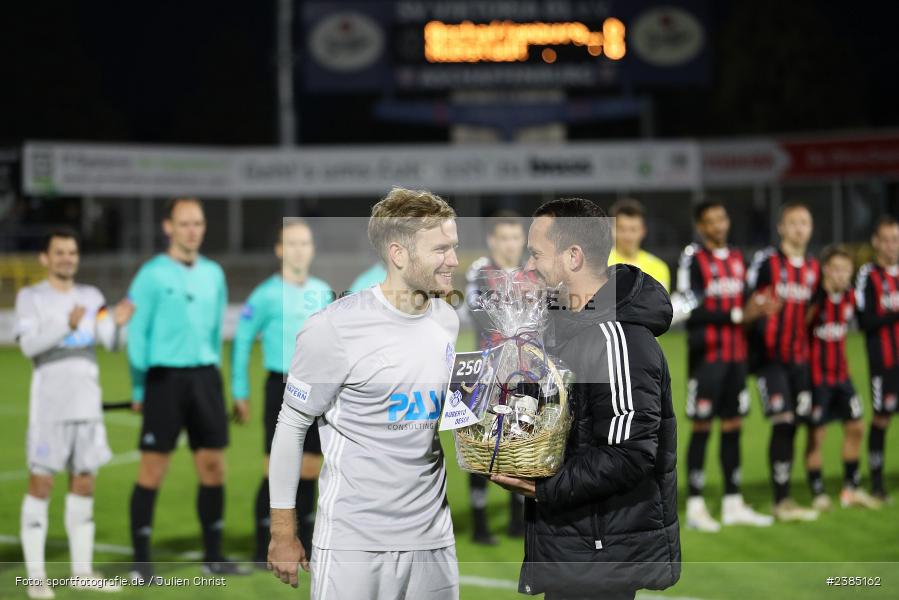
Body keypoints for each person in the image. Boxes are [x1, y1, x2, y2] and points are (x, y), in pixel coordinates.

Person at [267, 188, 461, 599]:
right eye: (441, 249)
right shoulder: (333, 328)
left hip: (433, 542)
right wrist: (283, 531)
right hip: (354, 544)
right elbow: (291, 426)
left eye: (454, 247)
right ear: (399, 253)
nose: (454, 261)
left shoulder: (447, 319)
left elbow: (444, 419)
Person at [492, 198, 680, 600]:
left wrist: (543, 486)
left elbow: (631, 454)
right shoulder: (559, 328)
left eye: (537, 253)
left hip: (601, 554)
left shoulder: (621, 338)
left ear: (573, 257)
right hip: (573, 543)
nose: (528, 264)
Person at [126, 197, 246, 581]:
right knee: (152, 469)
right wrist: (139, 386)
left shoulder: (214, 273)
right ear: (168, 227)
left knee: (213, 467)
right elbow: (137, 335)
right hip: (164, 380)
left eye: (198, 223)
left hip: (205, 378)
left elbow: (213, 331)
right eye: (184, 224)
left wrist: (218, 379)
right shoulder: (151, 275)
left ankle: (214, 556)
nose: (192, 230)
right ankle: (142, 565)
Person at [15, 229, 132, 599]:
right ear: (46, 258)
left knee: (84, 484)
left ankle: (82, 572)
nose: (67, 257)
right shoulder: (31, 298)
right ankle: (36, 579)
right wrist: (65, 324)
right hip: (49, 410)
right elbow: (29, 346)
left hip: (87, 408)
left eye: (72, 252)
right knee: (42, 486)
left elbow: (110, 342)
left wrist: (118, 322)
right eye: (60, 252)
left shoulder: (91, 296)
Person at [230, 218, 333, 564]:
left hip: (318, 389)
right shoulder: (265, 294)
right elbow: (242, 341)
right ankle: (265, 545)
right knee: (276, 468)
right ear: (279, 250)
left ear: (312, 250)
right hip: (281, 386)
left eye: (305, 243)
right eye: (292, 243)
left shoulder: (322, 290)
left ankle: (302, 539)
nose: (299, 250)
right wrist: (239, 391)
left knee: (309, 469)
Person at [676, 200, 775, 532]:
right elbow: (691, 306)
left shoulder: (737, 257)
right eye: (711, 221)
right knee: (702, 428)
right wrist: (738, 315)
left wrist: (759, 308)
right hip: (706, 359)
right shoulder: (692, 258)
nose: (718, 225)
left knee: (733, 427)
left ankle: (733, 502)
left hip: (736, 359)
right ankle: (695, 505)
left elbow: (747, 300)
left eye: (722, 217)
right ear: (701, 227)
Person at [746, 202, 820, 521]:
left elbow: (812, 312)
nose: (799, 228)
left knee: (797, 425)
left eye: (805, 222)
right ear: (781, 227)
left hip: (800, 361)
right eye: (793, 222)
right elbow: (749, 301)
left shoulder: (814, 268)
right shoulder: (767, 262)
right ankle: (781, 501)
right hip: (770, 360)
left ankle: (794, 493)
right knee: (783, 420)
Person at [463, 211, 532, 543]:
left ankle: (518, 519)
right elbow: (481, 315)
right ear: (492, 240)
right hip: (488, 374)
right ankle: (479, 524)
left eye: (515, 237)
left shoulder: (533, 273)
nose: (510, 244)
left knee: (520, 444)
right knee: (483, 447)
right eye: (503, 237)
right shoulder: (480, 270)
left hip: (526, 373)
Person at [805, 245, 881, 510]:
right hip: (818, 379)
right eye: (836, 269)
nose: (841, 274)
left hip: (843, 376)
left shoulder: (850, 297)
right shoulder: (815, 299)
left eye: (846, 269)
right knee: (817, 435)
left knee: (856, 427)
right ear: (826, 270)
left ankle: (851, 488)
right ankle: (817, 492)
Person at [855, 215, 899, 501]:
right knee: (882, 418)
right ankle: (877, 482)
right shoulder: (867, 275)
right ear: (875, 242)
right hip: (884, 362)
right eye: (885, 240)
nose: (891, 246)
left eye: (896, 239)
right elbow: (865, 321)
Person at [608, 199, 671, 291]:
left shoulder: (659, 267)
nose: (627, 235)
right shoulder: (598, 266)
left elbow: (660, 304)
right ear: (612, 230)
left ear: (643, 230)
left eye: (633, 229)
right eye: (622, 229)